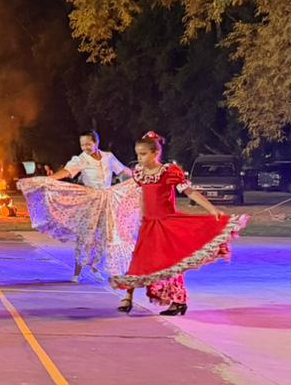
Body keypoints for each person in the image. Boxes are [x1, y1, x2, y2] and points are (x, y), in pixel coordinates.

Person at [112, 132, 248, 315]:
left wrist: (211, 209)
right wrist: (142, 217)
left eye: (143, 154)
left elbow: (190, 192)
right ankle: (128, 296)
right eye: (137, 154)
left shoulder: (168, 172)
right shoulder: (140, 174)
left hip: (168, 223)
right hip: (149, 224)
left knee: (171, 262)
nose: (139, 158)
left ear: (155, 153)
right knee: (139, 258)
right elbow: (143, 196)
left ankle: (178, 301)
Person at [17, 130, 140, 281]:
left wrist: (139, 176)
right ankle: (77, 272)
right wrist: (49, 179)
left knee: (102, 236)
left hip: (107, 201)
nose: (85, 147)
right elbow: (67, 171)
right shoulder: (81, 159)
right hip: (90, 200)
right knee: (85, 235)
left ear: (96, 142)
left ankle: (95, 268)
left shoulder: (108, 157)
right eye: (82, 145)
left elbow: (123, 171)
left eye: (88, 144)